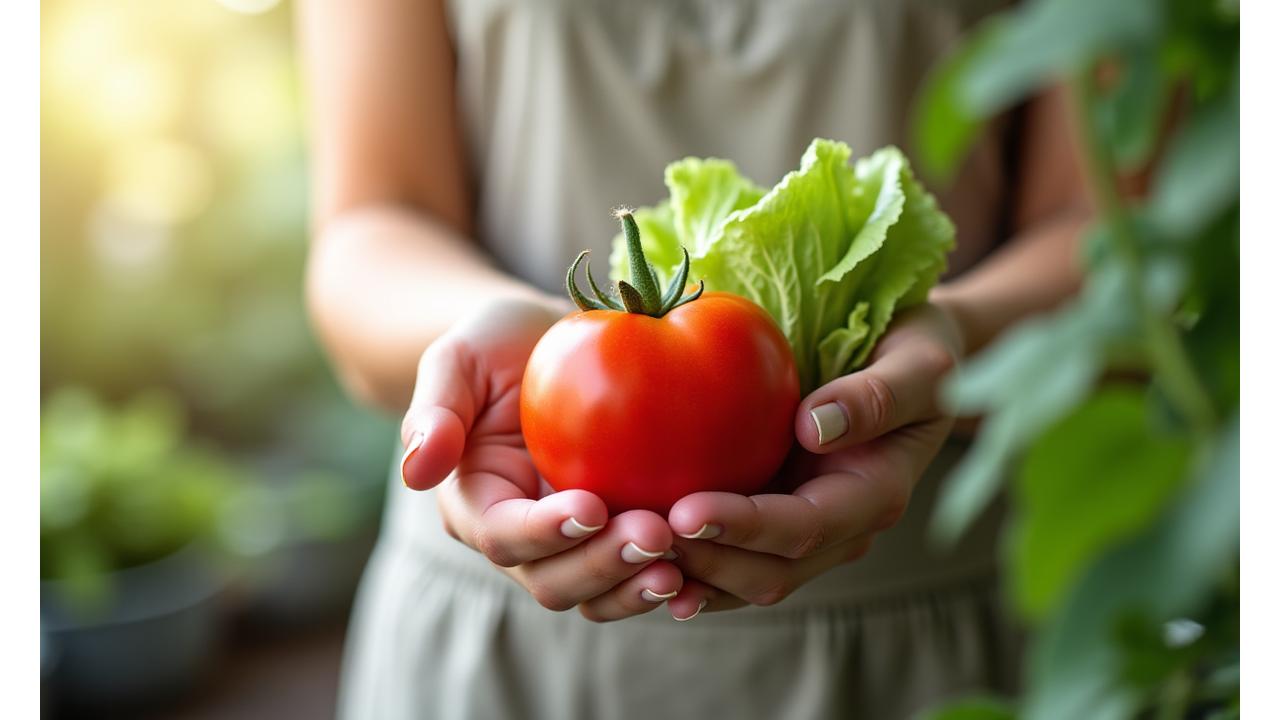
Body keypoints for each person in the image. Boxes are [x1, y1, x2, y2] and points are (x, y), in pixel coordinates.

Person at [298, 1, 1089, 718]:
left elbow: (1116, 241)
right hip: (498, 639)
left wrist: (957, 338)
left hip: (928, 639)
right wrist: (477, 335)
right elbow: (369, 226)